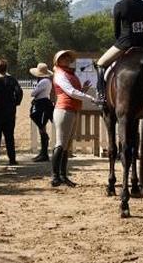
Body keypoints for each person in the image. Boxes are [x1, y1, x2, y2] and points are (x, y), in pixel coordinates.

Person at [95, 0, 143, 102]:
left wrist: (120, 42)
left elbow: (117, 30)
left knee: (100, 64)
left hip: (125, 43)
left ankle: (101, 96)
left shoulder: (119, 5)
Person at [51, 49, 100, 187]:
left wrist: (83, 90)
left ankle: (62, 175)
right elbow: (71, 92)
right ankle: (55, 176)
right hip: (64, 109)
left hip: (71, 109)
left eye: (67, 57)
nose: (67, 59)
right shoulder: (60, 74)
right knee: (61, 144)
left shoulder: (68, 73)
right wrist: (90, 97)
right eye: (64, 58)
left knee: (66, 145)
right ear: (58, 61)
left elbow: (74, 91)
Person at [0, 59, 23, 165]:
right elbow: (19, 92)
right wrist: (16, 103)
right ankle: (12, 159)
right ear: (6, 68)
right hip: (9, 112)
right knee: (9, 136)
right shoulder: (12, 80)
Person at [28, 62, 54, 162]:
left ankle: (44, 154)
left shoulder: (44, 82)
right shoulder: (46, 81)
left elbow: (33, 93)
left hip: (42, 104)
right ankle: (43, 153)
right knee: (41, 128)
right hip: (43, 103)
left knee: (42, 128)